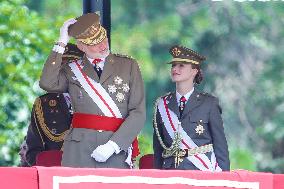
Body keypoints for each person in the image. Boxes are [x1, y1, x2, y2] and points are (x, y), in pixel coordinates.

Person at [39, 13, 145, 168]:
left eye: (103, 39)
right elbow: (47, 83)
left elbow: (138, 112)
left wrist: (113, 146)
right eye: (95, 43)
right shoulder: (71, 69)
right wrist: (61, 42)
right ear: (81, 46)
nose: (103, 45)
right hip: (79, 150)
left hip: (115, 150)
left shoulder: (128, 65)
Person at [153, 45, 230, 171]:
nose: (175, 69)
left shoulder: (209, 104)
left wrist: (224, 179)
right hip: (170, 173)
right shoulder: (162, 105)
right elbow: (158, 150)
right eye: (173, 65)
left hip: (199, 172)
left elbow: (220, 147)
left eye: (181, 65)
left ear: (194, 71)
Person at [25, 43, 83, 166]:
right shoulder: (43, 104)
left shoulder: (99, 100)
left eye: (73, 66)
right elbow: (33, 152)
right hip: (54, 176)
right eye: (61, 66)